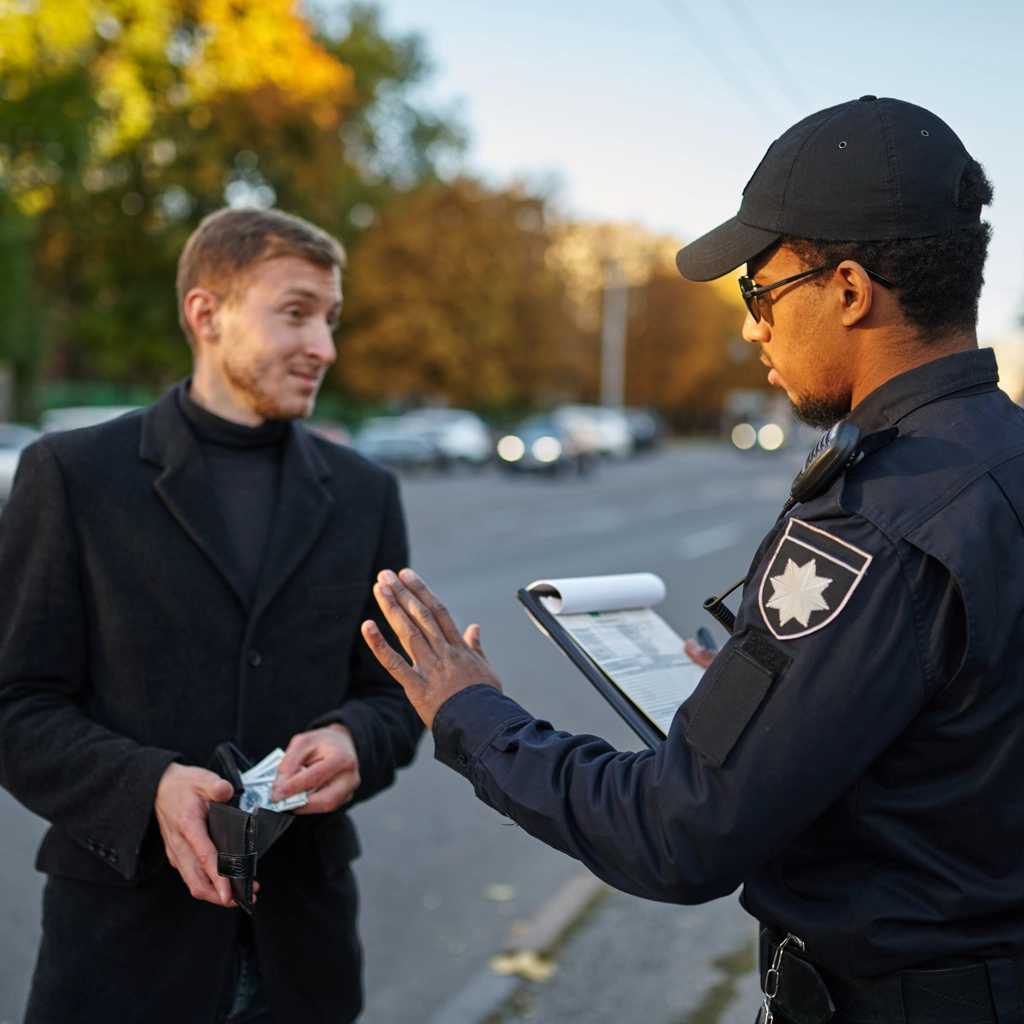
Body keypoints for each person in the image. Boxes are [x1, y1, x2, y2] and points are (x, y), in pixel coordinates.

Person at [360, 97, 1024, 1024]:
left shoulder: (871, 518)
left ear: (848, 289)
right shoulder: (1002, 456)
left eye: (762, 291)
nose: (752, 326)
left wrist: (471, 715)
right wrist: (789, 698)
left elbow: (678, 833)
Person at [0, 207, 422, 1024]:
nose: (325, 349)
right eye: (296, 312)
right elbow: (16, 704)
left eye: (330, 320)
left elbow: (394, 696)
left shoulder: (367, 495)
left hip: (305, 953)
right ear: (206, 313)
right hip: (122, 953)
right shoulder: (72, 477)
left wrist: (352, 741)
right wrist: (146, 784)